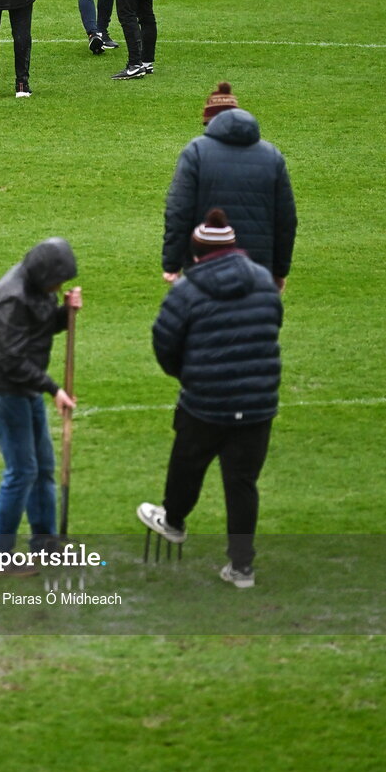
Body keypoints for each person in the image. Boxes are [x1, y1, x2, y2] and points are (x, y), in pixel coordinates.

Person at [138, 209, 284, 588]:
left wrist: (188, 376)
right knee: (242, 484)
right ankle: (242, 568)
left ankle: (173, 521)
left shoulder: (187, 290)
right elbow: (273, 324)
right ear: (234, 247)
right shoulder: (264, 282)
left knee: (187, 464)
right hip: (257, 404)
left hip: (205, 403)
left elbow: (164, 343)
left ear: (196, 253)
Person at [0, 238, 82, 572]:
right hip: (5, 393)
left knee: (42, 468)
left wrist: (66, 313)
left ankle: (46, 543)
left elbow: (41, 325)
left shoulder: (37, 289)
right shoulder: (12, 299)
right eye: (57, 282)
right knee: (21, 472)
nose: (58, 287)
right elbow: (12, 360)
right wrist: (54, 389)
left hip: (24, 390)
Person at [162, 86, 298, 290]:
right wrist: (279, 270)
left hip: (203, 264)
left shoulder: (196, 152)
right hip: (258, 268)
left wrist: (172, 264)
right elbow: (286, 220)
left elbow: (178, 211)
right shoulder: (272, 156)